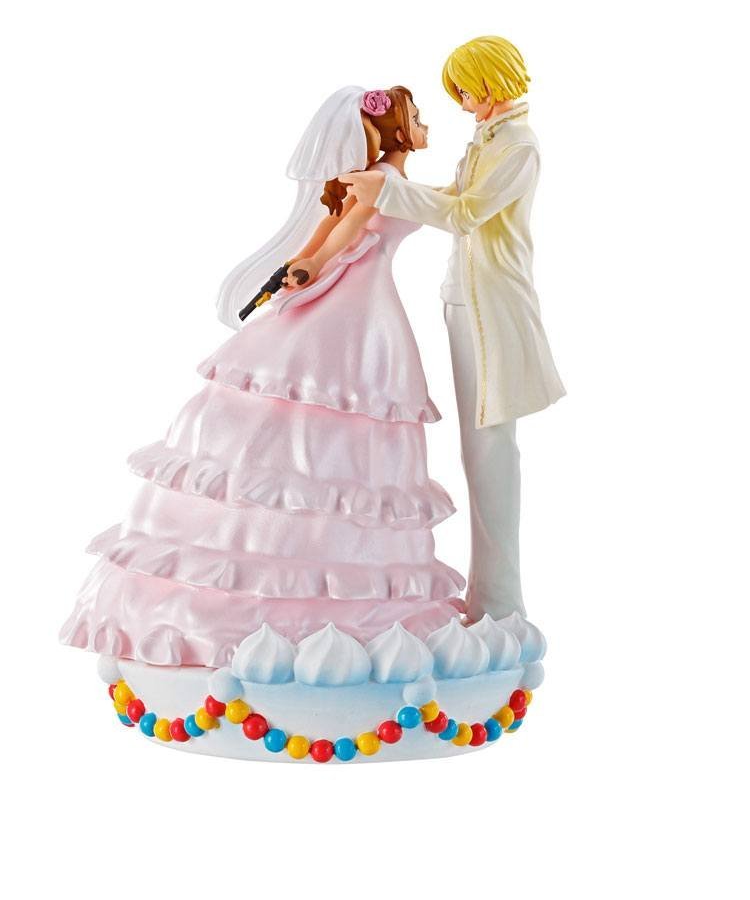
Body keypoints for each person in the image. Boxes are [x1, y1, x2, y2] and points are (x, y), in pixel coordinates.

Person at [60, 86, 466, 666]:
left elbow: (417, 209)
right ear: (397, 128)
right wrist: (309, 263)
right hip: (358, 305)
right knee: (335, 399)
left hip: (369, 301)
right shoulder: (380, 179)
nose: (425, 125)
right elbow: (343, 228)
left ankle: (331, 557)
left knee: (352, 411)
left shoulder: (389, 178)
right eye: (417, 117)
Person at [341, 37, 565, 622]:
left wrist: (392, 192)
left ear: (491, 83)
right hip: (465, 299)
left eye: (465, 90)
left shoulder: (517, 145)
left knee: (490, 448)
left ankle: (501, 602)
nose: (462, 103)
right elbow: (456, 196)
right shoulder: (490, 138)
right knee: (477, 448)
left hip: (493, 305)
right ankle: (488, 597)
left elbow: (467, 214)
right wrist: (392, 194)